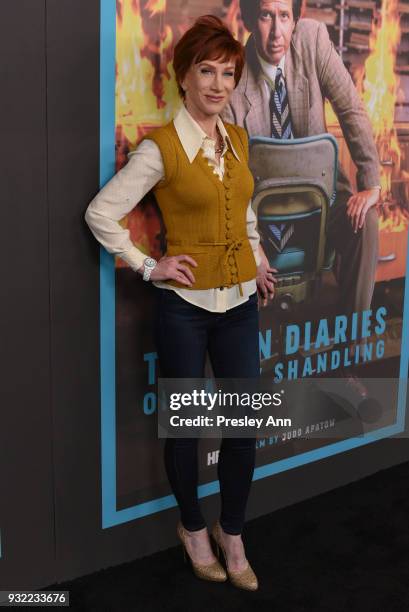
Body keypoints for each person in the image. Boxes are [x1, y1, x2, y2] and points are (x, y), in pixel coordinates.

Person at [85, 15, 277, 591]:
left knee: (243, 428)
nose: (218, 84)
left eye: (228, 72)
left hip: (241, 301)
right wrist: (150, 265)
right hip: (184, 309)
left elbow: (244, 209)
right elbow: (100, 213)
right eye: (206, 71)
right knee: (188, 430)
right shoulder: (162, 147)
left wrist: (260, 258)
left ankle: (233, 532)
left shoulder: (239, 139)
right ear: (184, 77)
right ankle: (193, 529)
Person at [222, 0, 381, 316]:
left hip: (325, 198)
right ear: (252, 18)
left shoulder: (313, 40)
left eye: (285, 16)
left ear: (296, 19)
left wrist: (370, 182)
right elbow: (229, 178)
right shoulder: (232, 78)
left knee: (367, 223)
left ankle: (351, 349)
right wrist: (251, 247)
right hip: (262, 215)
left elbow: (350, 108)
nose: (277, 33)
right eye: (267, 16)